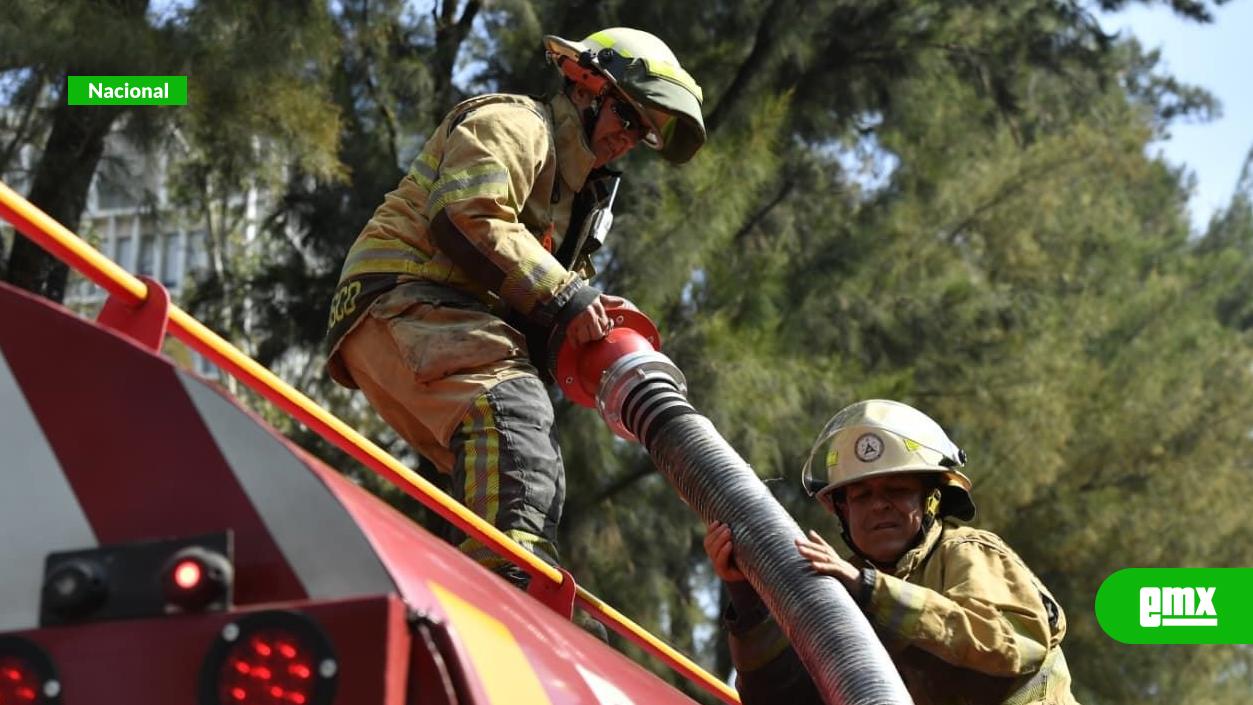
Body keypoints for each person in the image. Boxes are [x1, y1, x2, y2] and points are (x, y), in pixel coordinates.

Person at [324, 27, 705, 587]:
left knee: (514, 458)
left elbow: (532, 287)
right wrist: (567, 294)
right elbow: (468, 213)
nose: (628, 139)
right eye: (627, 118)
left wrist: (582, 324)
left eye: (642, 133)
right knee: (512, 409)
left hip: (425, 320)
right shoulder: (517, 124)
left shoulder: (573, 201)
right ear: (586, 86)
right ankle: (512, 579)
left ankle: (494, 577)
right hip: (403, 298)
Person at [704, 400, 1080, 704]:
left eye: (896, 490)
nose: (879, 505)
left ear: (930, 499)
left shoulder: (964, 554)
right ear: (842, 510)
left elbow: (1009, 645)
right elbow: (782, 699)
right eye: (862, 495)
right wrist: (748, 600)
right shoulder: (838, 588)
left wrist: (871, 589)